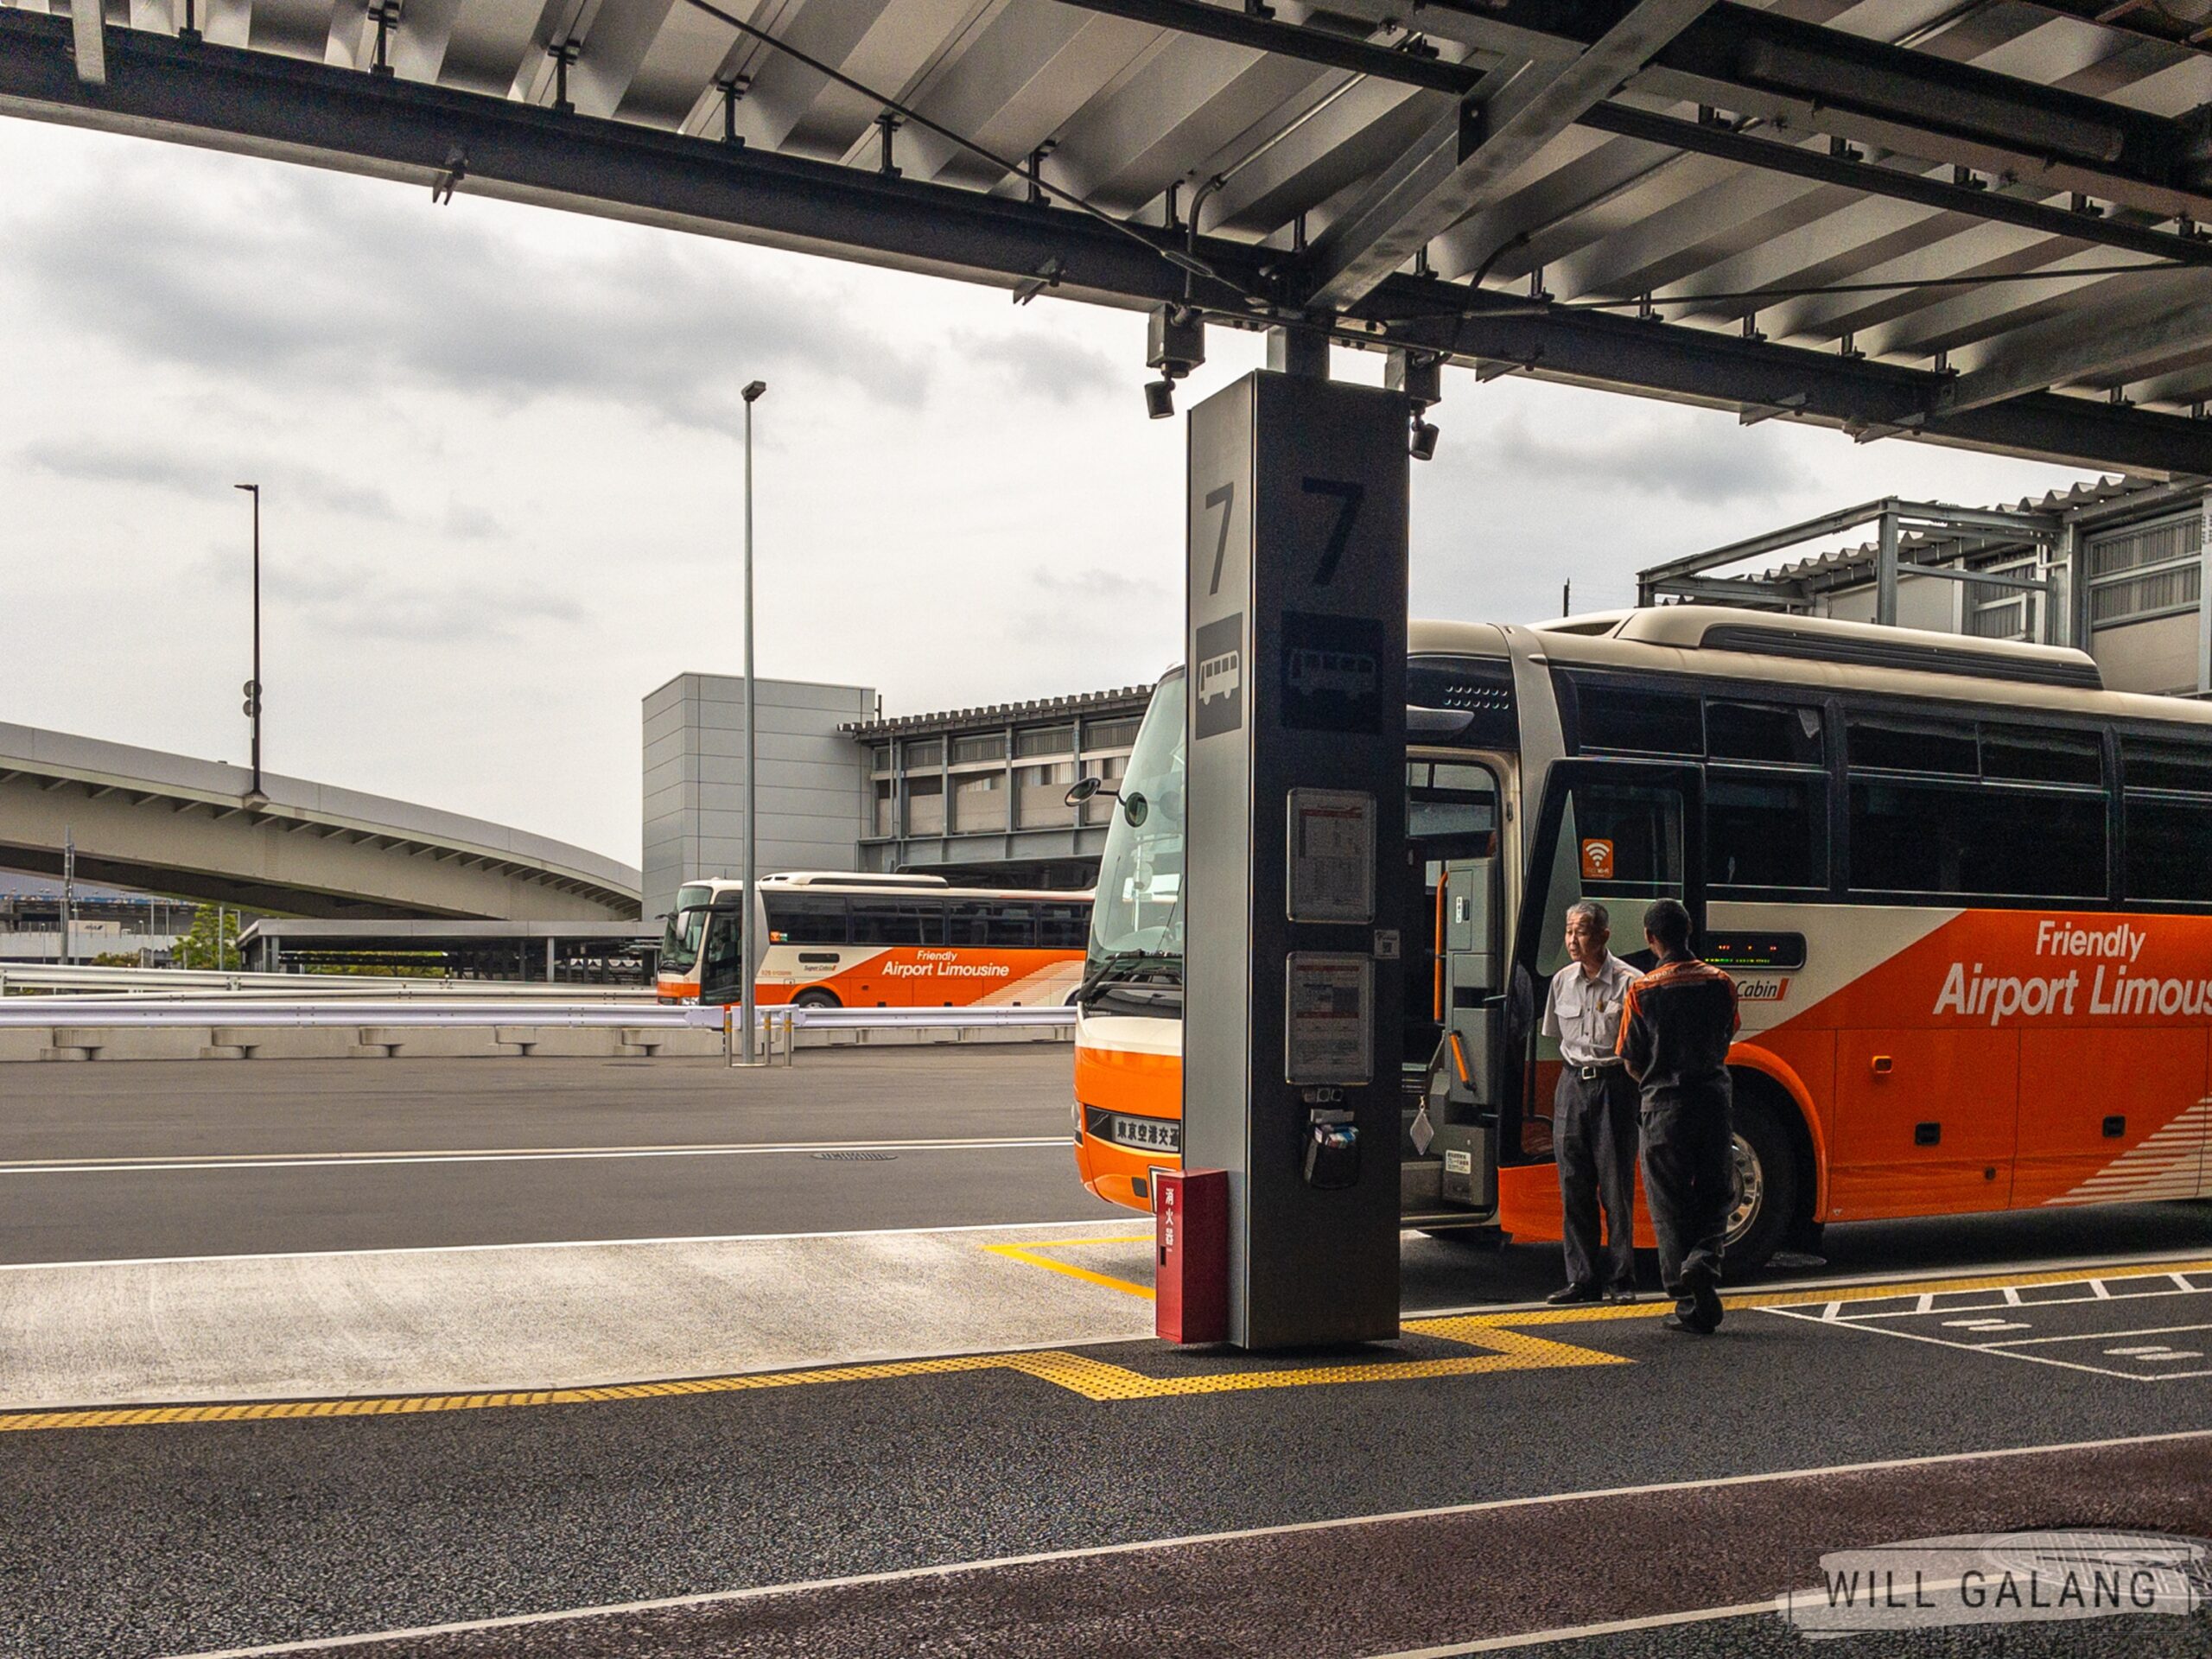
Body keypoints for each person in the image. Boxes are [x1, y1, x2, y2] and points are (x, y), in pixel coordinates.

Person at [1617, 897, 1739, 1335]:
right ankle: (1704, 1260)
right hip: (1712, 1101)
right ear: (1688, 932)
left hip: (1662, 1106)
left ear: (1652, 939)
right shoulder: (1720, 981)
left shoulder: (1642, 990)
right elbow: (1728, 1034)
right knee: (1715, 1194)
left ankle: (1687, 1296)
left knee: (1667, 1201)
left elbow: (1630, 1058)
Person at [1537, 900, 1640, 1306]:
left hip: (1615, 1085)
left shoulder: (1632, 983)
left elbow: (1640, 1045)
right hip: (1572, 1084)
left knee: (1615, 1189)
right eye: (1568, 932)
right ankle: (1581, 1279)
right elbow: (1555, 1038)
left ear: (1604, 936)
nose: (1572, 941)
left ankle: (1621, 1280)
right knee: (1572, 1185)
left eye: (1581, 932)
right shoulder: (1561, 981)